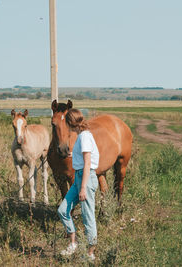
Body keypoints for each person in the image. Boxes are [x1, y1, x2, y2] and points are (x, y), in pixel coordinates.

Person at [57, 108, 99, 260]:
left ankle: (90, 254)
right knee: (62, 210)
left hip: (85, 180)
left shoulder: (85, 137)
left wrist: (82, 188)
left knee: (88, 216)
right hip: (80, 177)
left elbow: (88, 163)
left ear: (70, 123)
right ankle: (73, 243)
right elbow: (83, 157)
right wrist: (72, 154)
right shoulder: (82, 136)